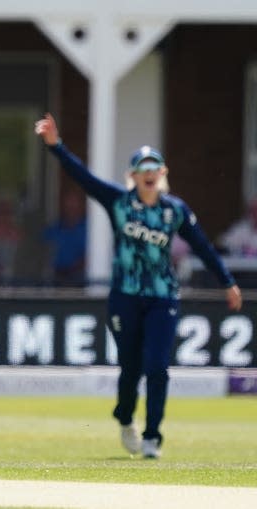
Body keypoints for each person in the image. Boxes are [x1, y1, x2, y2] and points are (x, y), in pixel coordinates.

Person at [35, 113, 242, 459]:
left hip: (163, 297)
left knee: (157, 366)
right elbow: (84, 179)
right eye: (142, 167)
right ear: (132, 176)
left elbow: (203, 247)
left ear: (161, 175)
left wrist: (227, 283)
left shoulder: (174, 211)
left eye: (154, 167)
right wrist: (56, 147)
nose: (149, 172)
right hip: (125, 297)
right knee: (131, 367)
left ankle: (152, 436)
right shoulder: (119, 202)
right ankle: (125, 416)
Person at [41, 190, 87, 286]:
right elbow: (41, 252)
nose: (71, 207)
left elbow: (94, 255)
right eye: (68, 202)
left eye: (74, 202)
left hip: (81, 280)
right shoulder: (54, 229)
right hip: (55, 278)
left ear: (81, 205)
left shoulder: (90, 231)